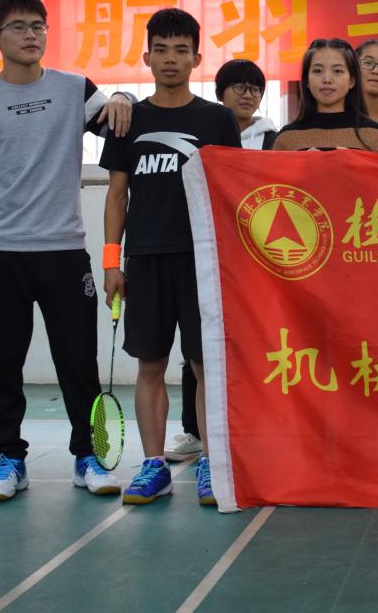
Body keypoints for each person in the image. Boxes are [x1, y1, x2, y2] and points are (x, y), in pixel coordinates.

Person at [0, 0, 131, 501]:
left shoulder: (75, 90)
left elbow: (119, 121)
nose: (31, 35)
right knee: (4, 365)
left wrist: (123, 96)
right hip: (1, 256)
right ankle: (8, 459)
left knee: (79, 363)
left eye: (38, 26)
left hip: (64, 253)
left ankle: (88, 456)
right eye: (19, 27)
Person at [100, 8, 241, 506]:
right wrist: (111, 262)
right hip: (145, 260)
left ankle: (211, 465)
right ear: (147, 57)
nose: (170, 59)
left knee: (204, 366)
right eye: (160, 49)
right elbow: (117, 194)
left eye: (181, 50)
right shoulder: (129, 119)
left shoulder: (217, 119)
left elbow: (234, 190)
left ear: (197, 59)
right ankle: (153, 466)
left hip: (203, 261)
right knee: (151, 364)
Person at [164, 57, 280, 463]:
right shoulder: (203, 133)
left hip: (255, 259)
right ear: (220, 93)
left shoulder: (273, 139)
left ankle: (253, 427)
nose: (248, 94)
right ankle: (194, 432)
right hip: (206, 254)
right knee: (198, 346)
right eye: (239, 87)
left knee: (256, 344)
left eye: (255, 88)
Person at [272, 38, 378, 154]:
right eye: (318, 71)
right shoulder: (286, 138)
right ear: (307, 81)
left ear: (352, 80)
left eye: (337, 71)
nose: (327, 79)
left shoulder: (376, 135)